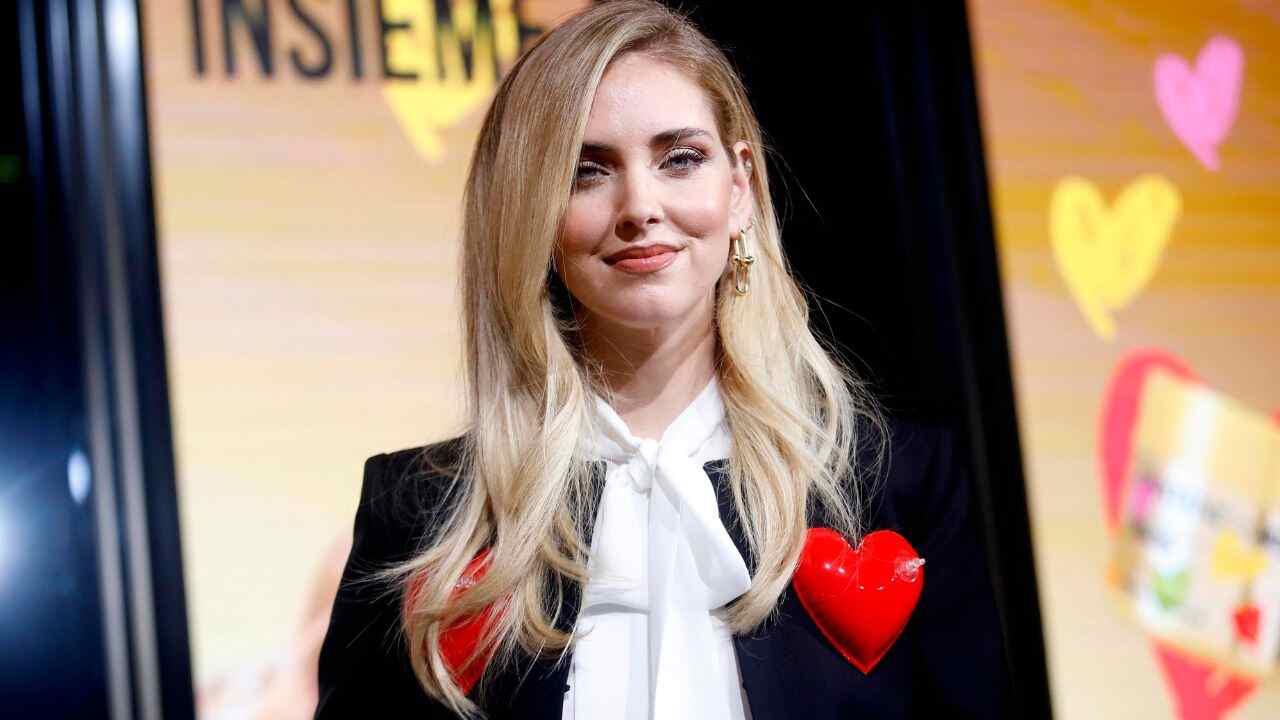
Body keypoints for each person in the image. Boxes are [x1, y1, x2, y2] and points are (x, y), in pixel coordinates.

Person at [314, 1, 1010, 718]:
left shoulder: (901, 486)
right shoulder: (421, 512)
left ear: (739, 188)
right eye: (587, 171)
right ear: (531, 212)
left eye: (680, 159)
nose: (640, 206)